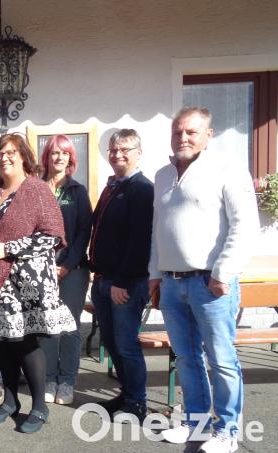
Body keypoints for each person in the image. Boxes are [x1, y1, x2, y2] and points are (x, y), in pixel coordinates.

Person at [151, 108, 258, 453]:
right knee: (186, 358)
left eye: (192, 132)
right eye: (178, 132)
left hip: (210, 285)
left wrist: (223, 272)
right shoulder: (163, 175)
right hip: (172, 284)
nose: (183, 137)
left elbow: (244, 225)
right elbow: (158, 230)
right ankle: (196, 424)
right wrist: (155, 275)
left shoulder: (227, 169)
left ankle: (227, 431)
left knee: (222, 360)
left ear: (208, 135)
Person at [0, 133, 75, 434]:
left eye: (11, 152)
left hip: (23, 283)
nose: (4, 158)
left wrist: (8, 249)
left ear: (24, 156)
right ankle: (10, 402)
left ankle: (39, 406)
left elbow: (52, 236)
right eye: (0, 153)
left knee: (23, 343)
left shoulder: (37, 189)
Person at [88, 129, 153, 423]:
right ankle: (127, 394)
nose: (118, 154)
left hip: (123, 283)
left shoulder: (141, 188)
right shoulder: (113, 186)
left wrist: (122, 282)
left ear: (139, 152)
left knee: (126, 344)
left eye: (125, 149)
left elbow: (140, 240)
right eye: (114, 150)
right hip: (103, 279)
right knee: (112, 343)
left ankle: (138, 403)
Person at [37, 135, 92, 406]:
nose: (58, 157)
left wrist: (67, 265)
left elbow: (84, 232)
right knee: (48, 326)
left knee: (69, 328)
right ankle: (48, 379)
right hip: (40, 270)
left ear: (71, 158)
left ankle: (67, 382)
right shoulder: (34, 189)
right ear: (46, 157)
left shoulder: (77, 192)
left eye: (64, 153)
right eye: (54, 152)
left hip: (73, 270)